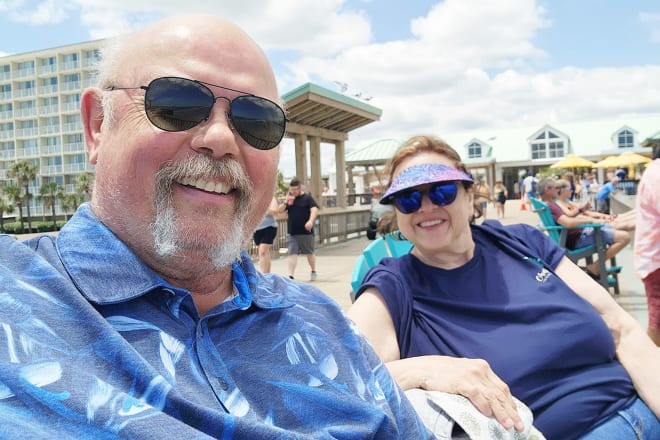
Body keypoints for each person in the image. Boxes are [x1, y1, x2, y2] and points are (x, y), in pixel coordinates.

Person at [0, 15, 431, 438]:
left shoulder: (325, 322)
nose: (222, 138)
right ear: (98, 126)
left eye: (257, 121)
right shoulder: (13, 294)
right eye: (177, 105)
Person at [347, 135, 660, 440]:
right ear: (397, 213)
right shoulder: (392, 285)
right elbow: (338, 382)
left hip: (642, 405)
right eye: (409, 198)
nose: (426, 206)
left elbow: (622, 329)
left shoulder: (521, 241)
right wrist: (424, 370)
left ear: (470, 197)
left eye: (442, 192)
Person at [539, 177, 631, 280]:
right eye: (555, 188)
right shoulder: (552, 206)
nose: (557, 190)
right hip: (579, 238)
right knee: (625, 237)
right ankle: (594, 267)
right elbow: (568, 223)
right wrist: (589, 221)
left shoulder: (549, 205)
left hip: (580, 234)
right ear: (547, 190)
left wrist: (585, 213)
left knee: (620, 230)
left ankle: (596, 267)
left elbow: (569, 217)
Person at [634, 149, 660, 346]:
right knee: (657, 325)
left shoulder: (652, 172)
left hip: (652, 257)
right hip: (656, 259)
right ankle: (645, 369)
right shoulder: (657, 174)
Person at [553, 178, 636, 231]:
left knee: (623, 218)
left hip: (592, 224)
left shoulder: (568, 202)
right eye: (570, 189)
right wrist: (584, 211)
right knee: (625, 223)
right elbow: (574, 215)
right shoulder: (559, 204)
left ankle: (641, 214)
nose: (572, 191)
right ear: (562, 190)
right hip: (589, 227)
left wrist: (604, 216)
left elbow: (584, 212)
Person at [278, 177, 319, 281]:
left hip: (306, 232)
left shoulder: (307, 198)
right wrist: (286, 202)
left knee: (309, 253)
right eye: (291, 189)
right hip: (292, 232)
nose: (293, 192)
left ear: (300, 188)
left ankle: (313, 270)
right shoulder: (290, 200)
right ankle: (291, 275)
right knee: (292, 254)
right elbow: (279, 211)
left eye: (295, 189)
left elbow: (314, 210)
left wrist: (310, 221)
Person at [252, 195, 279, 273]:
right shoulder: (254, 198)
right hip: (257, 229)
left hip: (269, 227)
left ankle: (264, 275)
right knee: (264, 253)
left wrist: (262, 207)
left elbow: (274, 211)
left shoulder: (271, 198)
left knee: (263, 250)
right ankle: (267, 275)